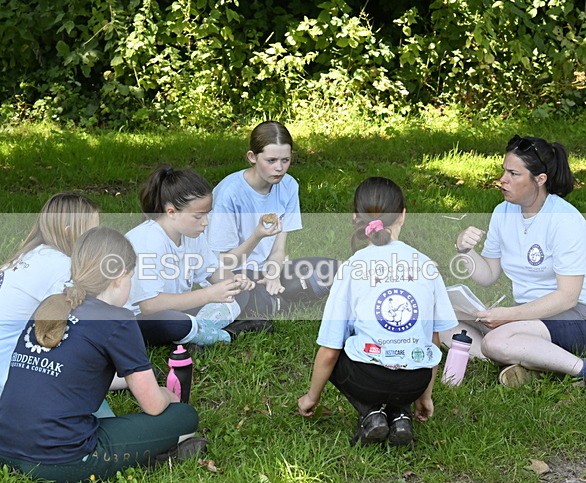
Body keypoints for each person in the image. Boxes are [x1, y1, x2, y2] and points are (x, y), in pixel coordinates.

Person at [0, 227, 203, 483]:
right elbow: (153, 406)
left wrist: (129, 381)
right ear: (119, 277)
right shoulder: (118, 319)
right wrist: (167, 395)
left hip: (4, 450)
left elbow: (70, 373)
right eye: (131, 277)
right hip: (61, 461)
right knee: (184, 417)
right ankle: (154, 456)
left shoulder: (51, 305)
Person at [448, 134, 586, 392]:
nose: (503, 180)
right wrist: (465, 250)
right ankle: (528, 362)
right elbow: (488, 275)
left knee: (494, 341)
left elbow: (568, 298)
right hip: (526, 316)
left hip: (573, 318)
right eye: (504, 171)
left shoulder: (566, 221)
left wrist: (508, 316)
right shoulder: (502, 212)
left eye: (514, 174)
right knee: (439, 319)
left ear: (540, 180)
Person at [297, 177, 458, 446]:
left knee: (340, 346)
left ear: (355, 218)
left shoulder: (351, 267)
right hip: (414, 381)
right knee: (407, 354)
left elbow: (330, 349)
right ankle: (400, 415)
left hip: (367, 379)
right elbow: (433, 343)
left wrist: (311, 397)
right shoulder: (427, 265)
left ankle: (371, 414)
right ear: (403, 216)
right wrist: (425, 397)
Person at [0, 192, 99, 402]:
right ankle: (126, 379)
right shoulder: (60, 266)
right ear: (68, 233)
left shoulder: (33, 255)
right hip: (10, 382)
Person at [125, 165, 270, 347]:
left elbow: (213, 271)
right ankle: (224, 335)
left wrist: (234, 282)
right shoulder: (147, 241)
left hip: (176, 309)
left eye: (207, 215)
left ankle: (197, 335)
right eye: (198, 216)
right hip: (139, 320)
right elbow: (149, 306)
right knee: (172, 321)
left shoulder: (191, 235)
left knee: (238, 294)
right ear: (171, 212)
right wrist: (208, 294)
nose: (205, 223)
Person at [207, 121, 339, 316]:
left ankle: (281, 293)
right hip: (233, 273)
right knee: (268, 304)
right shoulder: (229, 194)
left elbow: (278, 249)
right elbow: (223, 263)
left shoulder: (289, 186)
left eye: (285, 160)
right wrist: (257, 236)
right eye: (271, 160)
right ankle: (281, 297)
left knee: (337, 270)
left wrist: (273, 273)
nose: (279, 168)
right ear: (252, 157)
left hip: (266, 268)